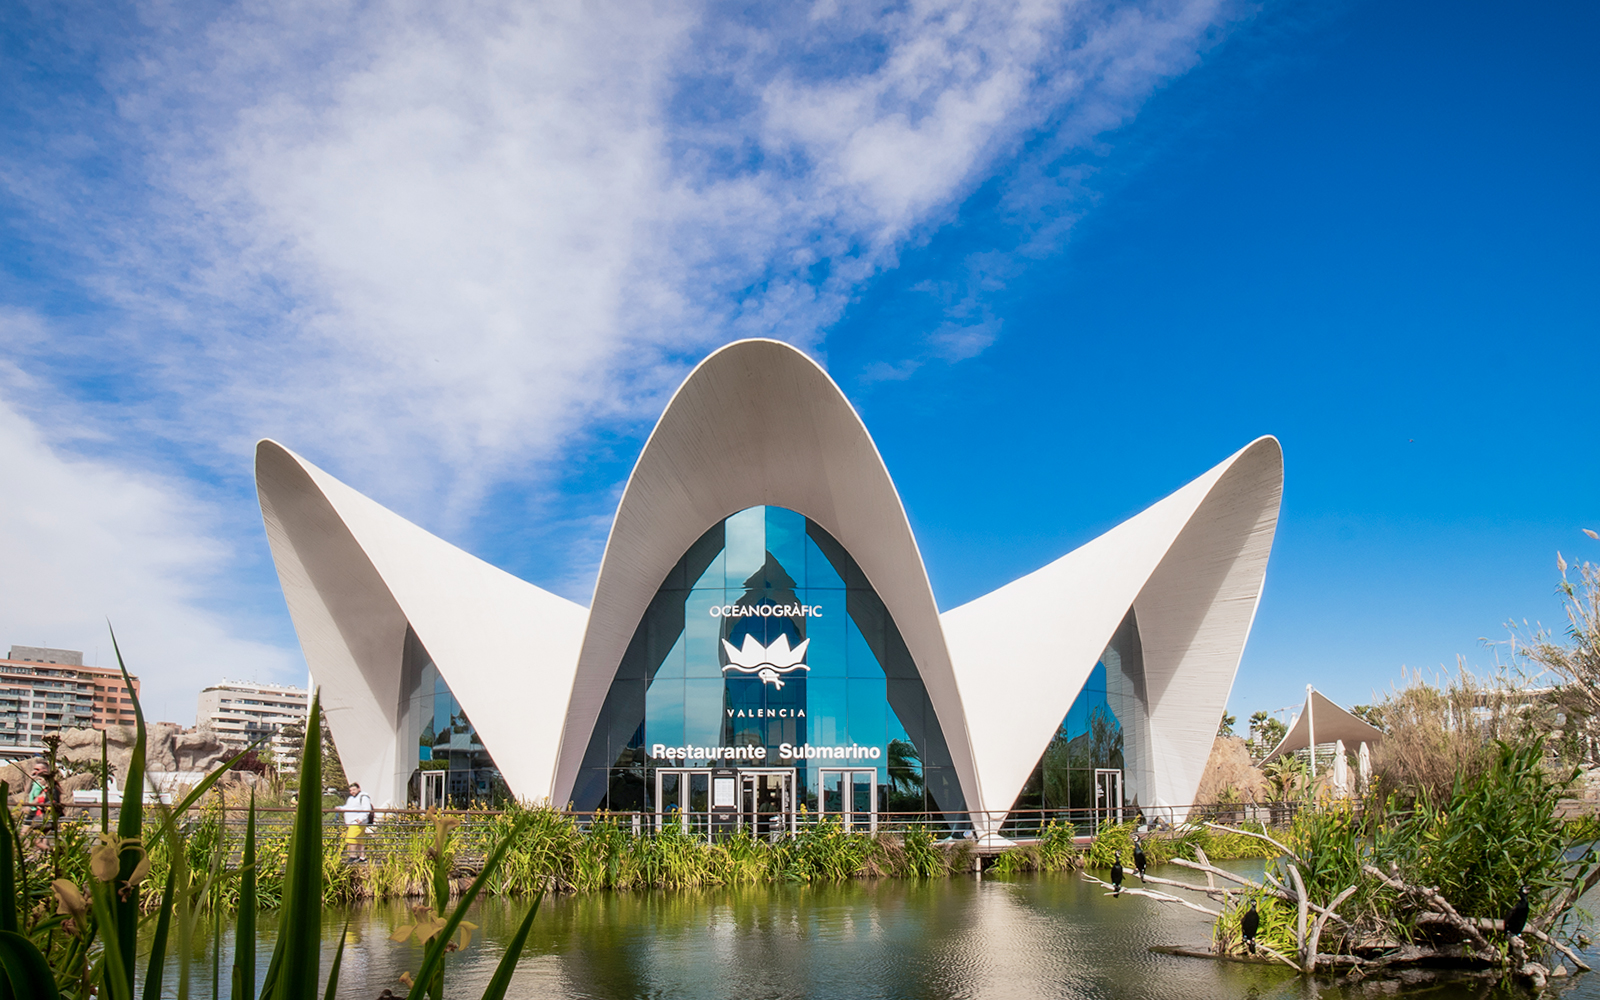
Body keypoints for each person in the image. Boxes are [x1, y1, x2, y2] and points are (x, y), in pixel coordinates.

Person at [336, 782, 374, 861]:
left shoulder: (363, 797)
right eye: (350, 790)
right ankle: (362, 857)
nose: (352, 792)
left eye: (354, 789)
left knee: (351, 838)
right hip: (353, 821)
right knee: (359, 839)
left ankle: (352, 856)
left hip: (357, 821)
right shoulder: (351, 798)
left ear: (358, 789)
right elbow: (348, 807)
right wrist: (340, 808)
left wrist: (361, 818)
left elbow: (367, 808)